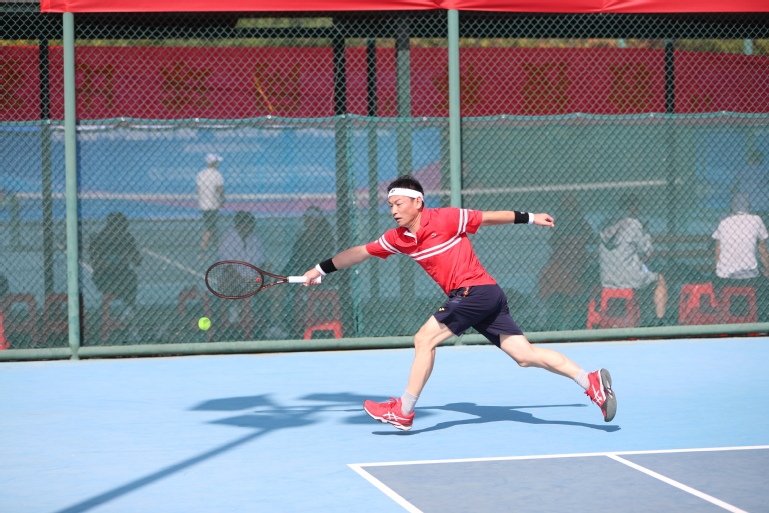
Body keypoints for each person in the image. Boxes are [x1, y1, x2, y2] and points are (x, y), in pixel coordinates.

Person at [301, 175, 616, 431]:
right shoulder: (398, 238)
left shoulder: (446, 218)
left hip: (475, 292)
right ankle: (589, 380)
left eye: (399, 203)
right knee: (524, 355)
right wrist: (320, 269)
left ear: (417, 202)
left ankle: (403, 411)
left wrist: (531, 218)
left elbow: (489, 218)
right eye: (391, 205)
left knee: (424, 339)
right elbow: (359, 252)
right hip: (485, 295)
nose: (394, 210)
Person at [598, 192, 667, 325]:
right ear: (634, 207)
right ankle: (659, 320)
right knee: (659, 280)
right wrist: (645, 233)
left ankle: (635, 318)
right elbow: (647, 250)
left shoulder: (607, 223)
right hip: (631, 277)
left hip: (607, 278)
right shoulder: (634, 224)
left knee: (644, 278)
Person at [538, 194, 598, 330]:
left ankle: (578, 326)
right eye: (566, 205)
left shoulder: (582, 225)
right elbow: (552, 242)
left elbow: (592, 239)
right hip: (562, 268)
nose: (570, 209)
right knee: (553, 294)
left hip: (580, 269)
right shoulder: (558, 225)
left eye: (573, 205)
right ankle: (552, 328)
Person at [712, 193, 769, 320]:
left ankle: (727, 316)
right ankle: (761, 317)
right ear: (749, 206)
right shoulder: (756, 220)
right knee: (765, 283)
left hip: (724, 277)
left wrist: (720, 269)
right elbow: (763, 250)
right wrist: (767, 269)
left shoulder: (723, 221)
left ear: (731, 206)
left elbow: (717, 250)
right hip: (750, 277)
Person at [90, 212, 142, 337]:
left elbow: (138, 261)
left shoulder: (127, 238)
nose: (121, 231)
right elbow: (96, 263)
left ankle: (128, 316)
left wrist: (130, 255)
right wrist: (113, 260)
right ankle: (117, 320)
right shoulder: (100, 239)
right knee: (117, 284)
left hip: (123, 274)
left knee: (131, 279)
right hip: (104, 275)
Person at [218, 211, 267, 335]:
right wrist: (243, 280)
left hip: (252, 278)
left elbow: (261, 263)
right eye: (244, 225)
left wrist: (257, 278)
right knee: (227, 282)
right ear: (237, 225)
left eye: (250, 225)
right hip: (232, 278)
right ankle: (228, 320)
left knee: (276, 290)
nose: (247, 228)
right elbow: (227, 266)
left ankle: (270, 326)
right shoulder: (228, 238)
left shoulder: (255, 238)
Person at [196, 153, 225, 253]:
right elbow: (220, 189)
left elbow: (198, 190)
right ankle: (202, 248)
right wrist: (222, 200)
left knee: (211, 225)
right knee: (210, 226)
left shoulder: (201, 174)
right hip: (212, 204)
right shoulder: (217, 174)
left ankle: (217, 244)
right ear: (214, 163)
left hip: (203, 204)